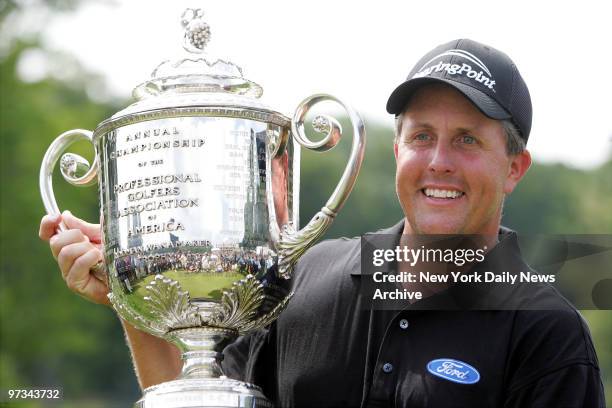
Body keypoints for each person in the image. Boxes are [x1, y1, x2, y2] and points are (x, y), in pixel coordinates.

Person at [40, 39, 605, 407]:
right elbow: (195, 393)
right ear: (398, 151)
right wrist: (130, 296)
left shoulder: (547, 334)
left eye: (468, 140)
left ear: (514, 168)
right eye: (422, 137)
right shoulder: (304, 279)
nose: (439, 162)